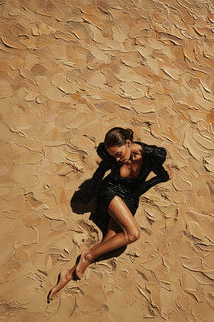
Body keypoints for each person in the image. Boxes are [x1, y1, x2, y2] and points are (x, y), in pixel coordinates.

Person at [47, 126, 170, 301]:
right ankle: (86, 256)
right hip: (111, 193)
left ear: (128, 143)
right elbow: (98, 176)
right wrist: (87, 197)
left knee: (109, 243)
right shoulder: (113, 160)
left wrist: (160, 178)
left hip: (130, 199)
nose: (117, 158)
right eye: (113, 155)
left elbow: (160, 171)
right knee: (133, 234)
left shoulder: (150, 154)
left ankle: (67, 274)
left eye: (119, 153)